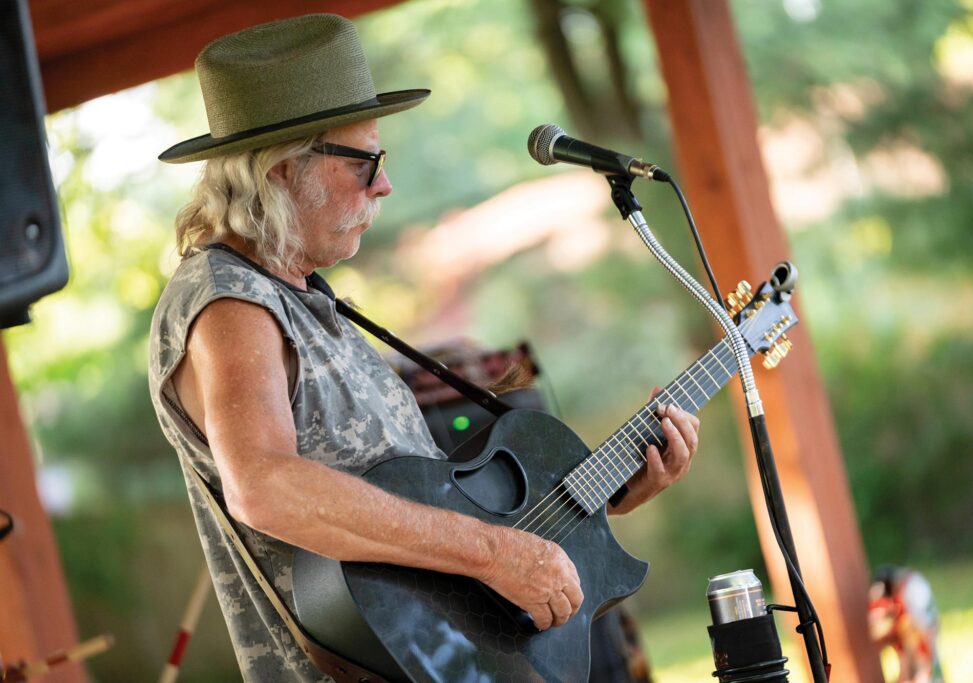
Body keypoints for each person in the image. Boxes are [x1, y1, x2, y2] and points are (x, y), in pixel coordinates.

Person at [149, 13, 701, 682]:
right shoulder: (228, 300)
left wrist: (602, 499)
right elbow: (265, 485)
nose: (384, 184)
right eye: (366, 161)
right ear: (280, 172)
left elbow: (423, 521)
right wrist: (495, 552)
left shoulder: (298, 297)